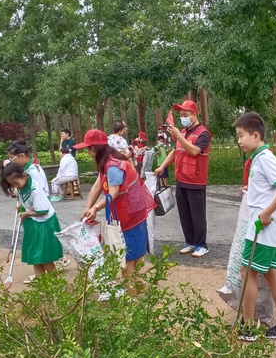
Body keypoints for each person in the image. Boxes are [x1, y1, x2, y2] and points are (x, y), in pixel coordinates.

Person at [233, 112, 276, 341]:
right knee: (271, 271)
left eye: (241, 136)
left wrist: (267, 212)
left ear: (256, 135)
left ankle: (248, 325)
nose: (239, 141)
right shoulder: (259, 158)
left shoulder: (265, 158)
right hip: (269, 226)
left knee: (247, 271)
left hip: (264, 226)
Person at [78, 129, 156, 287]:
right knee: (135, 246)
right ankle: (138, 281)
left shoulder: (113, 166)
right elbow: (97, 186)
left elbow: (113, 193)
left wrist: (96, 208)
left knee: (128, 250)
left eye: (88, 148)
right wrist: (88, 207)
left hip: (130, 211)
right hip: (129, 209)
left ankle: (130, 284)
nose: (88, 153)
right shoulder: (107, 162)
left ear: (95, 148)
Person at [154, 100, 212, 258]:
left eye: (185, 115)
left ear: (194, 114)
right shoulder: (184, 132)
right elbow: (175, 151)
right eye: (181, 115)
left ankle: (201, 244)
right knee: (185, 214)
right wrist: (162, 167)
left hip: (195, 180)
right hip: (181, 179)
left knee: (197, 215)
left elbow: (194, 151)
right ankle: (190, 242)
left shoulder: (203, 134)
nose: (183, 118)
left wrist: (178, 135)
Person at [0, 161, 63, 280]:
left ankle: (56, 286)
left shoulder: (35, 189)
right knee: (36, 257)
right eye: (12, 184)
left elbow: (42, 211)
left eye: (16, 183)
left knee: (44, 257)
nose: (15, 186)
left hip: (44, 223)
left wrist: (25, 214)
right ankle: (42, 286)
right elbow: (20, 195)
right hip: (33, 223)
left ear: (24, 176)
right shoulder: (21, 186)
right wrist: (20, 204)